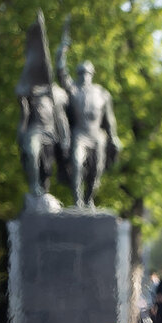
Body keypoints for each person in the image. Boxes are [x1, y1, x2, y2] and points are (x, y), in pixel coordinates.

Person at [56, 28, 121, 208]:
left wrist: (114, 136)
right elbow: (61, 72)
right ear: (78, 75)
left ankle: (89, 199)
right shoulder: (74, 90)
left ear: (92, 75)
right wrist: (62, 51)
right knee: (76, 164)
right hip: (79, 135)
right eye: (81, 74)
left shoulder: (102, 93)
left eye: (87, 74)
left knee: (96, 171)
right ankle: (77, 201)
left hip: (97, 136)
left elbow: (109, 119)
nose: (84, 77)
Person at [16, 12, 70, 208]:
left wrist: (65, 140)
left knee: (46, 169)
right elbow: (21, 97)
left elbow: (63, 119)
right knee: (32, 151)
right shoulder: (34, 90)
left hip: (51, 134)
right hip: (35, 130)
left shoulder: (59, 94)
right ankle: (33, 187)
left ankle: (42, 190)